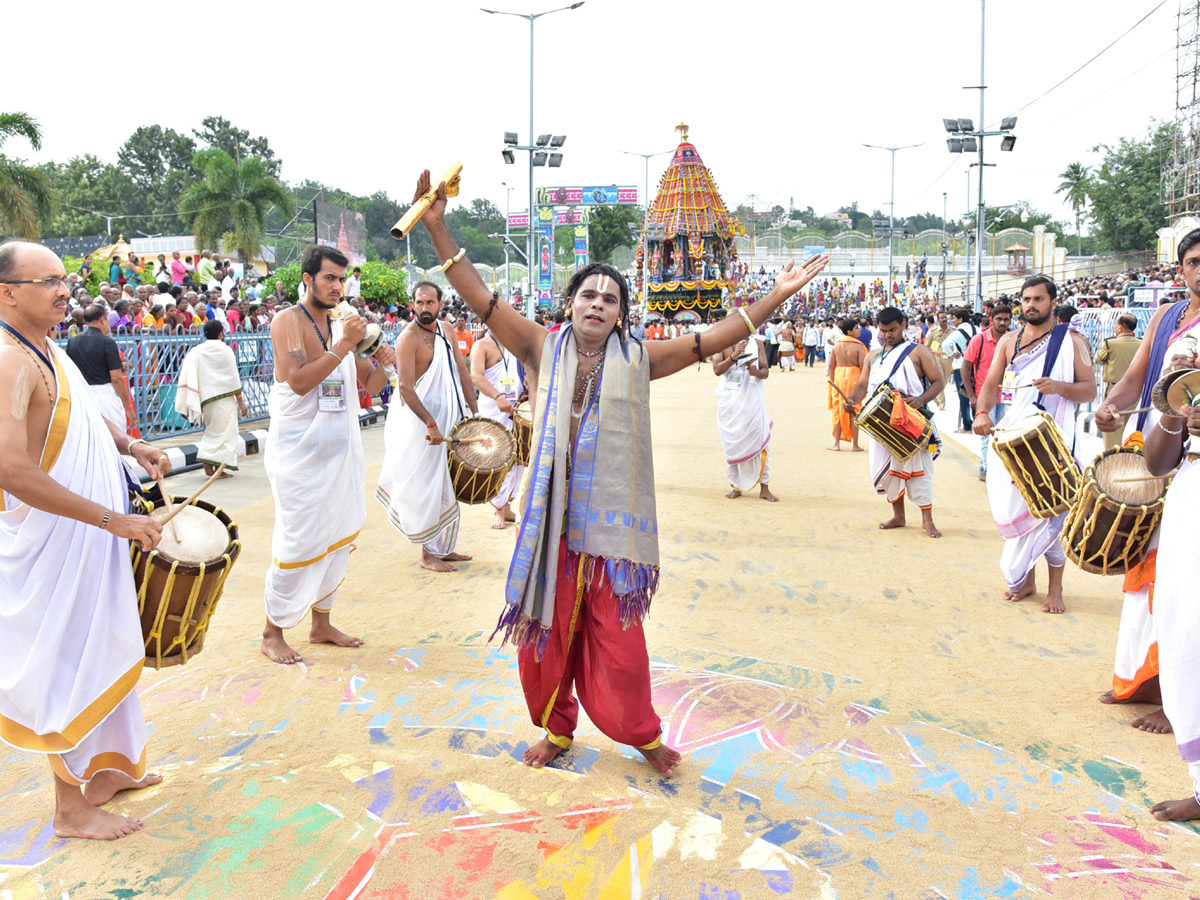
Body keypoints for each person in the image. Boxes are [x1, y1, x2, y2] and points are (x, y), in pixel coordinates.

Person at [415, 168, 828, 777]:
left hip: (610, 533)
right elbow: (479, 296)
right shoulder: (537, 344)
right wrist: (437, 226)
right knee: (544, 636)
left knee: (622, 648)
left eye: (610, 299)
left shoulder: (640, 358)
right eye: (589, 295)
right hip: (551, 522)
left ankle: (642, 733)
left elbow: (710, 341)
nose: (598, 304)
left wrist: (777, 297)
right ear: (571, 303)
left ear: (620, 313)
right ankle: (557, 729)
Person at [0, 240, 169, 839]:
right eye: (46, 281)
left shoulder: (46, 347)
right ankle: (70, 810)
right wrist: (111, 519)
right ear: (7, 292)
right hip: (57, 541)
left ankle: (114, 767)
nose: (63, 289)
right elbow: (12, 470)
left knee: (103, 643)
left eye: (63, 278)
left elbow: (84, 419)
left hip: (85, 534)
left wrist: (132, 445)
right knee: (67, 659)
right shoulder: (8, 360)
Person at [260, 244, 395, 665]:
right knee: (298, 539)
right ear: (307, 279)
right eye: (329, 278)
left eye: (342, 279)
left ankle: (321, 623)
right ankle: (272, 631)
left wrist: (384, 362)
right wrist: (347, 343)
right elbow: (298, 381)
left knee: (336, 539)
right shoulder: (288, 321)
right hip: (298, 456)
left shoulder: (341, 324)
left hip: (339, 454)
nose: (338, 286)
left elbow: (369, 387)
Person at [1093, 233, 1200, 734]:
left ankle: (1174, 691)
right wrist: (1112, 405)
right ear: (1180, 271)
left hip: (1189, 458)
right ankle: (1143, 678)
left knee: (1179, 582)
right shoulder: (1164, 318)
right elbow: (1136, 377)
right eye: (1194, 262)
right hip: (1158, 447)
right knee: (1148, 572)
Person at [973, 275, 1095, 614]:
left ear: (1053, 302)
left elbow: (1089, 390)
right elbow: (991, 384)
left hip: (1055, 439)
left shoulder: (1073, 340)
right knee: (1016, 506)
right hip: (1015, 435)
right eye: (1026, 299)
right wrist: (982, 412)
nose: (1031, 305)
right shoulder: (1008, 341)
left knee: (1055, 509)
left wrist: (1059, 387)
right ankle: (1026, 579)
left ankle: (1055, 590)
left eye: (1038, 299)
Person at [376, 282, 478, 572]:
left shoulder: (446, 331)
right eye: (419, 303)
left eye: (430, 302)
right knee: (424, 483)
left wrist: (476, 412)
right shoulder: (408, 338)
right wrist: (430, 423)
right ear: (412, 305)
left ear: (439, 304)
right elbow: (406, 388)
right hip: (417, 423)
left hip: (447, 419)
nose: (424, 308)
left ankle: (443, 548)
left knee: (446, 480)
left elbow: (462, 372)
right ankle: (426, 554)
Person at [1141, 355, 1200, 821]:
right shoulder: (1191, 377)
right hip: (1189, 517)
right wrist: (1174, 402)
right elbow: (1157, 461)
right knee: (1186, 640)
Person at [845, 307, 944, 538]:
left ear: (903, 325)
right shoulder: (873, 356)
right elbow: (862, 386)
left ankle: (927, 519)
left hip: (911, 422)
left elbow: (937, 382)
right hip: (882, 427)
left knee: (921, 471)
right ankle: (898, 516)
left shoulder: (919, 352)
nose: (888, 335)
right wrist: (851, 401)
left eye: (893, 330)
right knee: (889, 472)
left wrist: (920, 400)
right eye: (883, 331)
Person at [176, 319, 249, 477]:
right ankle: (211, 465)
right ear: (221, 333)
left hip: (205, 398)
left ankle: (213, 465)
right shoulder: (225, 350)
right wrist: (242, 403)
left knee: (212, 431)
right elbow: (233, 377)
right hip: (224, 400)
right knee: (223, 433)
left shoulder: (197, 350)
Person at [470, 327, 525, 529]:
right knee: (501, 460)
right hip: (494, 411)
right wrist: (498, 397)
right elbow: (476, 377)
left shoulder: (514, 344)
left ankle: (509, 506)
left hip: (515, 408)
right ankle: (498, 510)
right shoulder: (481, 345)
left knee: (519, 461)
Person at [712, 327, 775, 501]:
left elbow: (765, 371)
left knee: (760, 441)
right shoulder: (722, 343)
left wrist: (757, 373)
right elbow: (717, 370)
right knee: (733, 444)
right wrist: (733, 357)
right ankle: (736, 486)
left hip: (752, 401)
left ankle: (765, 487)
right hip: (730, 404)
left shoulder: (757, 343)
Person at [962, 304, 1013, 482]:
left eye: (1006, 319)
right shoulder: (980, 340)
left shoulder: (1013, 340)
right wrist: (972, 396)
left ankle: (997, 468)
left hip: (1007, 395)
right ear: (992, 320)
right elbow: (965, 368)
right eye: (999, 319)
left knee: (1002, 434)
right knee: (986, 435)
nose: (1002, 322)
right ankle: (986, 468)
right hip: (984, 396)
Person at [65, 304, 135, 431]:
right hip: (105, 395)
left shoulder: (72, 342)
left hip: (82, 395)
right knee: (114, 437)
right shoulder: (107, 342)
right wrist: (128, 406)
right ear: (103, 319)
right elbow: (116, 378)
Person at [1094, 314, 1142, 450]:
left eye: (1116, 325)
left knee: (1113, 436)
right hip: (1138, 392)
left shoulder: (1111, 344)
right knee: (1134, 432)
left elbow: (1098, 359)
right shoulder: (1141, 343)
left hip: (1114, 391)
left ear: (1120, 328)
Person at [827, 317, 865, 451]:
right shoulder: (859, 347)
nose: (859, 330)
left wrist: (832, 382)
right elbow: (863, 367)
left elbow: (831, 365)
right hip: (855, 377)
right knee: (854, 409)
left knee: (838, 409)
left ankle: (836, 444)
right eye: (856, 328)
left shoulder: (837, 345)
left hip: (839, 376)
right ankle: (855, 445)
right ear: (849, 331)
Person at [942, 308, 977, 432]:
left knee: (964, 396)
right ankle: (976, 421)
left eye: (954, 318)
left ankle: (967, 425)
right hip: (975, 366)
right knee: (975, 393)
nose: (953, 320)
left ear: (960, 319)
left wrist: (953, 353)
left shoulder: (958, 332)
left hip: (960, 365)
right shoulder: (976, 329)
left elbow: (945, 344)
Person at [924, 311, 954, 410]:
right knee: (940, 379)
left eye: (945, 317)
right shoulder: (933, 332)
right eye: (942, 318)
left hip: (948, 359)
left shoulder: (953, 331)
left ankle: (934, 397)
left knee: (945, 381)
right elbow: (927, 346)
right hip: (936, 358)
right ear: (938, 320)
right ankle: (942, 403)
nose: (944, 319)